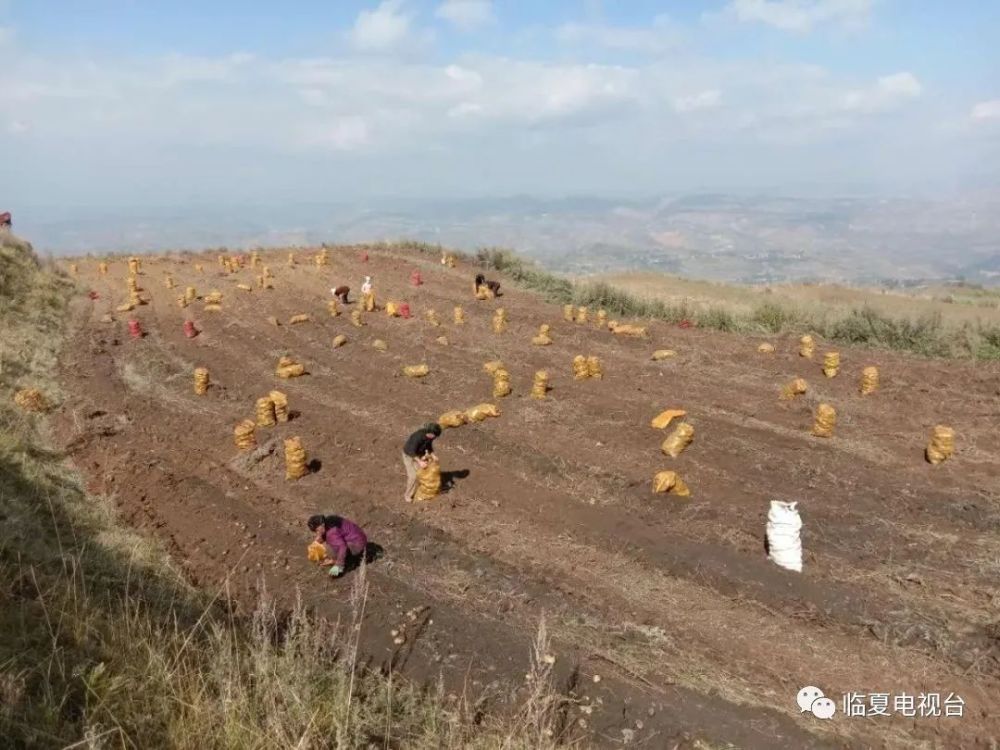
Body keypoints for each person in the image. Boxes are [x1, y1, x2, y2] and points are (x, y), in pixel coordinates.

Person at [402, 423, 441, 503]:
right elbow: (411, 451)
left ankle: (421, 488)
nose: (435, 437)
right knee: (413, 476)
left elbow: (429, 446)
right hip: (409, 455)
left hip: (418, 454)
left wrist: (433, 455)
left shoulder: (430, 437)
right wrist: (420, 462)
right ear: (430, 433)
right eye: (435, 436)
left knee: (421, 472)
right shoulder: (417, 437)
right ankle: (408, 495)